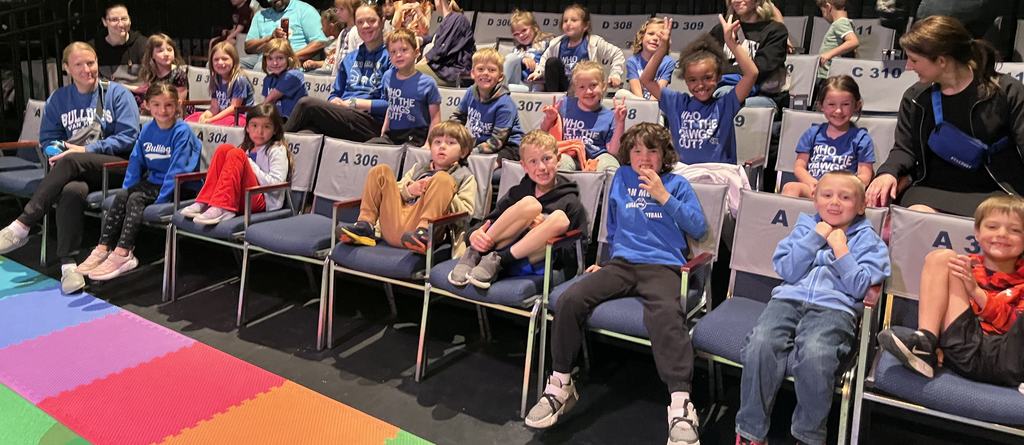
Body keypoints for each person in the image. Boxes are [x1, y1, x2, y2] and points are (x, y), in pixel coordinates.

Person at [526, 123, 706, 445]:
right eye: (637, 150)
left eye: (652, 150)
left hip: (662, 265)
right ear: (628, 155)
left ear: (664, 155)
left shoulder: (676, 184)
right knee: (569, 298)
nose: (644, 157)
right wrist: (606, 258)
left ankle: (681, 404)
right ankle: (561, 385)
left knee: (666, 314)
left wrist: (663, 196)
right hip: (621, 264)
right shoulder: (621, 178)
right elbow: (613, 223)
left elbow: (697, 225)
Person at [735, 170, 890, 445]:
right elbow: (787, 270)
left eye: (845, 197)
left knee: (817, 354)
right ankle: (750, 430)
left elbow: (860, 287)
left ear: (862, 204)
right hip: (787, 300)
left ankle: (808, 435)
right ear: (815, 200)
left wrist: (842, 251)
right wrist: (814, 239)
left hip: (834, 309)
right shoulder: (805, 228)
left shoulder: (869, 240)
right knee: (760, 344)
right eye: (827, 195)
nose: (835, 203)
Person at [0, 42, 139, 294]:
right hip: (75, 171)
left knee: (72, 160)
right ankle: (69, 265)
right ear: (66, 68)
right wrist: (56, 151)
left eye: (91, 63)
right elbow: (48, 139)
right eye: (79, 65)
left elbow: (129, 137)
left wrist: (84, 151)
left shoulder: (118, 94)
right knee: (71, 191)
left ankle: (23, 223)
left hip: (117, 167)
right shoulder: (59, 98)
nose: (87, 69)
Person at [865, 16, 1024, 217]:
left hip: (996, 189)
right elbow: (904, 149)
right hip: (933, 188)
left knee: (997, 221)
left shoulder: (1007, 91)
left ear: (941, 61)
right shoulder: (915, 98)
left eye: (914, 60)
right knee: (917, 217)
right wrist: (887, 172)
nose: (908, 67)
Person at [877, 195, 1024, 386]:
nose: (1002, 234)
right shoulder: (964, 267)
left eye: (1014, 230)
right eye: (992, 227)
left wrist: (978, 294)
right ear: (977, 233)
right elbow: (946, 311)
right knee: (943, 258)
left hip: (1011, 358)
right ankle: (926, 344)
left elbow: (1014, 327)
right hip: (964, 348)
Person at [74, 84, 200, 281]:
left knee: (136, 198)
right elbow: (135, 162)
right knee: (124, 195)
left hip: (179, 187)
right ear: (148, 105)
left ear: (178, 106)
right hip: (154, 183)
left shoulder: (181, 131)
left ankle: (124, 252)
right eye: (156, 104)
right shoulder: (148, 129)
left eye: (168, 105)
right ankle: (102, 247)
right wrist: (127, 188)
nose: (163, 110)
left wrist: (162, 199)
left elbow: (178, 170)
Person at [448, 130, 586, 289]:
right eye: (533, 161)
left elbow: (576, 252)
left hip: (532, 259)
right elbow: (489, 221)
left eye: (547, 159)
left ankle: (500, 258)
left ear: (558, 159)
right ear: (524, 166)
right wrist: (474, 235)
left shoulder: (570, 202)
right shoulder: (518, 192)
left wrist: (544, 231)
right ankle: (473, 253)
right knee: (530, 204)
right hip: (488, 259)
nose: (541, 167)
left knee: (559, 219)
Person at [336, 120, 476, 254]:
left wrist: (442, 196)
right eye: (437, 142)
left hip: (430, 229)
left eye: (451, 143)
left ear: (463, 152)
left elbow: (466, 214)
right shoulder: (418, 169)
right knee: (380, 171)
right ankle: (365, 226)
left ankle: (423, 233)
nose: (442, 146)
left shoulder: (464, 176)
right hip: (396, 223)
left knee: (442, 178)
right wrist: (410, 190)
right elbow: (396, 192)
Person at [642, 16, 757, 165]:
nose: (701, 85)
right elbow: (646, 80)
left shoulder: (726, 104)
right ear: (685, 80)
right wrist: (662, 49)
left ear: (718, 76)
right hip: (685, 175)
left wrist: (732, 44)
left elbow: (752, 74)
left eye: (707, 77)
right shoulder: (677, 103)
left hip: (718, 177)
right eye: (693, 80)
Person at [283, 2, 391, 142]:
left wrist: (354, 103)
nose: (365, 26)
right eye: (360, 22)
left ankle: (272, 144)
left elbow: (390, 104)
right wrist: (334, 101)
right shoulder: (349, 58)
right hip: (343, 117)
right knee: (307, 133)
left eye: (371, 21)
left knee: (306, 104)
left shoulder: (390, 58)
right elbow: (334, 94)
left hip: (370, 122)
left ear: (382, 22)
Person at [180, 103, 292, 225]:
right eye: (254, 125)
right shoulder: (247, 148)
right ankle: (205, 200)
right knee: (224, 149)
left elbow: (276, 186)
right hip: (243, 196)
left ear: (275, 130)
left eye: (266, 127)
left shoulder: (277, 150)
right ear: (247, 128)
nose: (259, 131)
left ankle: (223, 207)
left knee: (237, 154)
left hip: (265, 201)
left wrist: (251, 165)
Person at [782, 75, 874, 198]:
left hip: (843, 194)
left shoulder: (861, 138)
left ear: (856, 105)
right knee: (790, 188)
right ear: (821, 106)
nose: (838, 111)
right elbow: (799, 167)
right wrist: (812, 182)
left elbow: (865, 176)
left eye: (845, 104)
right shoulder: (812, 133)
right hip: (814, 189)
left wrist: (842, 188)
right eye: (831, 104)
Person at [539, 60, 624, 172]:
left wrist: (620, 122)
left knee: (611, 166)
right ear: (575, 90)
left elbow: (613, 151)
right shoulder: (564, 105)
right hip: (568, 153)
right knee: (561, 162)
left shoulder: (610, 116)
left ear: (603, 86)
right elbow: (543, 134)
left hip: (596, 157)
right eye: (582, 87)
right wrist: (549, 119)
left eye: (593, 85)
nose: (588, 91)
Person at [709, 0, 789, 110]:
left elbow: (760, 69)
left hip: (763, 95)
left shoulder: (775, 31)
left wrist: (720, 72)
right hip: (722, 89)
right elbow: (706, 63)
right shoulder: (721, 30)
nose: (736, 0)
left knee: (724, 96)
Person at [528, 4, 625, 93]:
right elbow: (544, 61)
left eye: (574, 20)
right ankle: (554, 101)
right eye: (565, 21)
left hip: (585, 89)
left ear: (585, 25)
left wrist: (615, 74)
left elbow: (617, 54)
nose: (568, 23)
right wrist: (538, 72)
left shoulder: (594, 42)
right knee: (552, 62)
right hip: (563, 88)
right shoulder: (556, 43)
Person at [450, 48, 525, 162]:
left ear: (500, 77)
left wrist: (467, 153)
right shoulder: (471, 91)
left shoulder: (505, 104)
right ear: (472, 73)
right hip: (480, 142)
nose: (485, 73)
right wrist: (450, 139)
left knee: (479, 167)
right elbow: (457, 117)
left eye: (491, 70)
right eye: (480, 69)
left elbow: (496, 142)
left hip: (508, 147)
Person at [370, 28, 440, 146]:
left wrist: (429, 144)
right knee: (371, 147)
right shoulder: (387, 77)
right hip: (392, 134)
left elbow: (435, 118)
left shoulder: (428, 83)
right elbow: (391, 105)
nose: (398, 55)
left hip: (416, 136)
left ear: (416, 52)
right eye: (393, 52)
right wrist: (383, 132)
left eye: (404, 50)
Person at [186, 41, 255, 126]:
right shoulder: (216, 79)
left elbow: (234, 108)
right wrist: (206, 115)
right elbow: (215, 107)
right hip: (222, 115)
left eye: (225, 59)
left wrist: (212, 120)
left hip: (239, 117)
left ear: (234, 60)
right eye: (216, 59)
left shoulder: (240, 80)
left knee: (215, 123)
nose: (220, 62)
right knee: (192, 119)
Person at [245, 0, 329, 68]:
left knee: (260, 67)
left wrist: (291, 57)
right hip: (263, 57)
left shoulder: (304, 10)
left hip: (293, 60)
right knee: (238, 65)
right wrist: (269, 38)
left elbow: (320, 42)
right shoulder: (260, 15)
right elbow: (248, 47)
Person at [415, 0, 475, 87]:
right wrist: (418, 39)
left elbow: (439, 49)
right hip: (443, 70)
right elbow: (434, 38)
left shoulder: (457, 19)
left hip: (454, 73)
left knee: (408, 73)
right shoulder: (449, 20)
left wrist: (418, 64)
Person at [618, 17, 676, 101]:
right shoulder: (632, 61)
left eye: (660, 35)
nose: (655, 38)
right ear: (641, 37)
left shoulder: (668, 62)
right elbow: (637, 94)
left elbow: (658, 92)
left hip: (656, 103)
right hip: (638, 102)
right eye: (651, 34)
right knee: (621, 93)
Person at [304, 0, 364, 76]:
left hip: (351, 77)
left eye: (341, 9)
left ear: (352, 10)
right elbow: (338, 59)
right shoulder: (343, 33)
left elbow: (356, 58)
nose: (338, 12)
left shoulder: (357, 32)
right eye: (337, 9)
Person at [91, 3, 147, 84]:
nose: (120, 24)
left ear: (130, 20)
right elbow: (92, 80)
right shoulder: (93, 48)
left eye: (124, 19)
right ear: (104, 22)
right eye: (114, 20)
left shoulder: (144, 45)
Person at [133, 34, 189, 110]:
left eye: (169, 50)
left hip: (176, 112)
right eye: (160, 51)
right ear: (152, 55)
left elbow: (179, 102)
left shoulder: (179, 74)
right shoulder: (150, 73)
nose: (166, 54)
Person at [504, 10, 554, 93]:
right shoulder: (517, 50)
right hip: (522, 85)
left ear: (534, 27)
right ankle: (500, 85)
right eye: (516, 34)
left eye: (524, 30)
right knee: (511, 57)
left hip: (540, 83)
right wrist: (522, 59)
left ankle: (499, 89)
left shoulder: (547, 42)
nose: (521, 35)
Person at [260, 38, 307, 119]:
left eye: (280, 58)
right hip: (277, 122)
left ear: (289, 59)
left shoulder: (293, 75)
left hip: (296, 122)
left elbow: (269, 101)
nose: (275, 63)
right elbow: (267, 109)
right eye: (270, 58)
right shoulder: (267, 79)